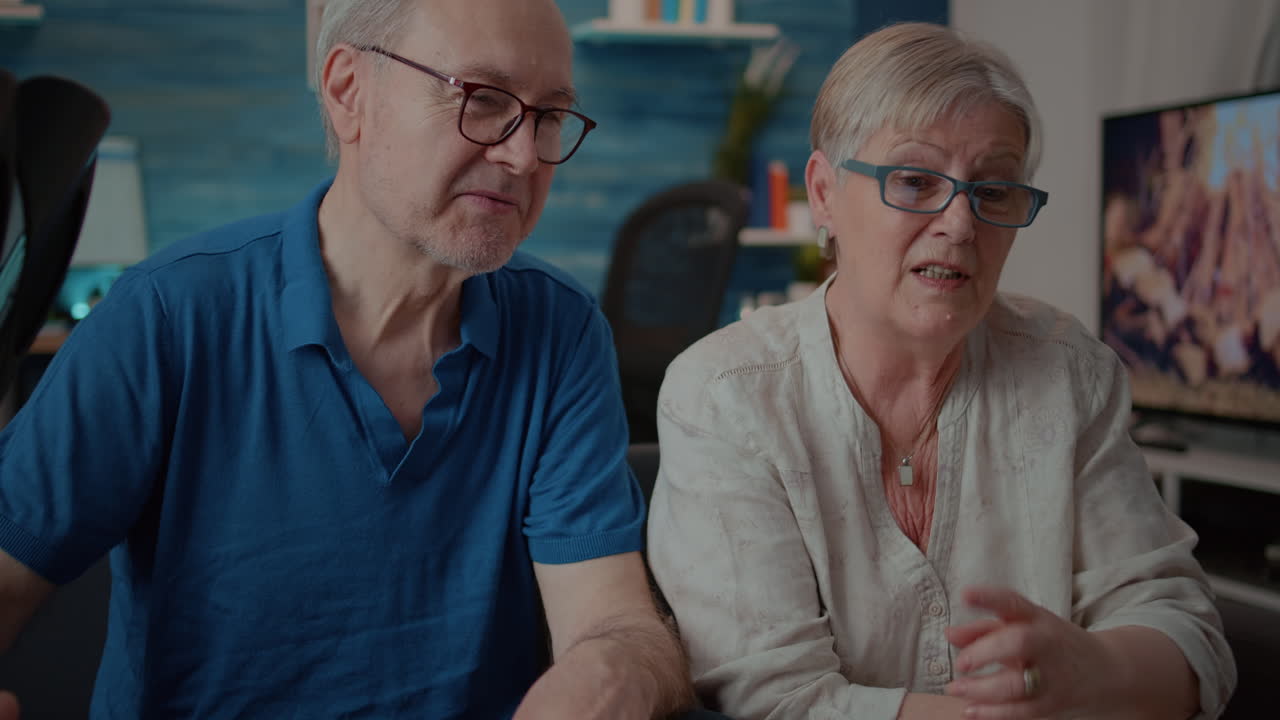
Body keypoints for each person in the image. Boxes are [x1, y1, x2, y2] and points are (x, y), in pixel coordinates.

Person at [0, 0, 698, 717]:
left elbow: (611, 619)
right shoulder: (170, 314)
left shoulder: (560, 330)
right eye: (483, 101)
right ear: (347, 91)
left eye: (549, 116)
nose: (523, 156)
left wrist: (618, 671)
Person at [647, 22, 1236, 720]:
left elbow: (1186, 629)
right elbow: (776, 699)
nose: (960, 223)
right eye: (916, 180)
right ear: (825, 193)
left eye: (994, 189)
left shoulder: (1068, 372)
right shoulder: (725, 395)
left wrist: (1099, 670)